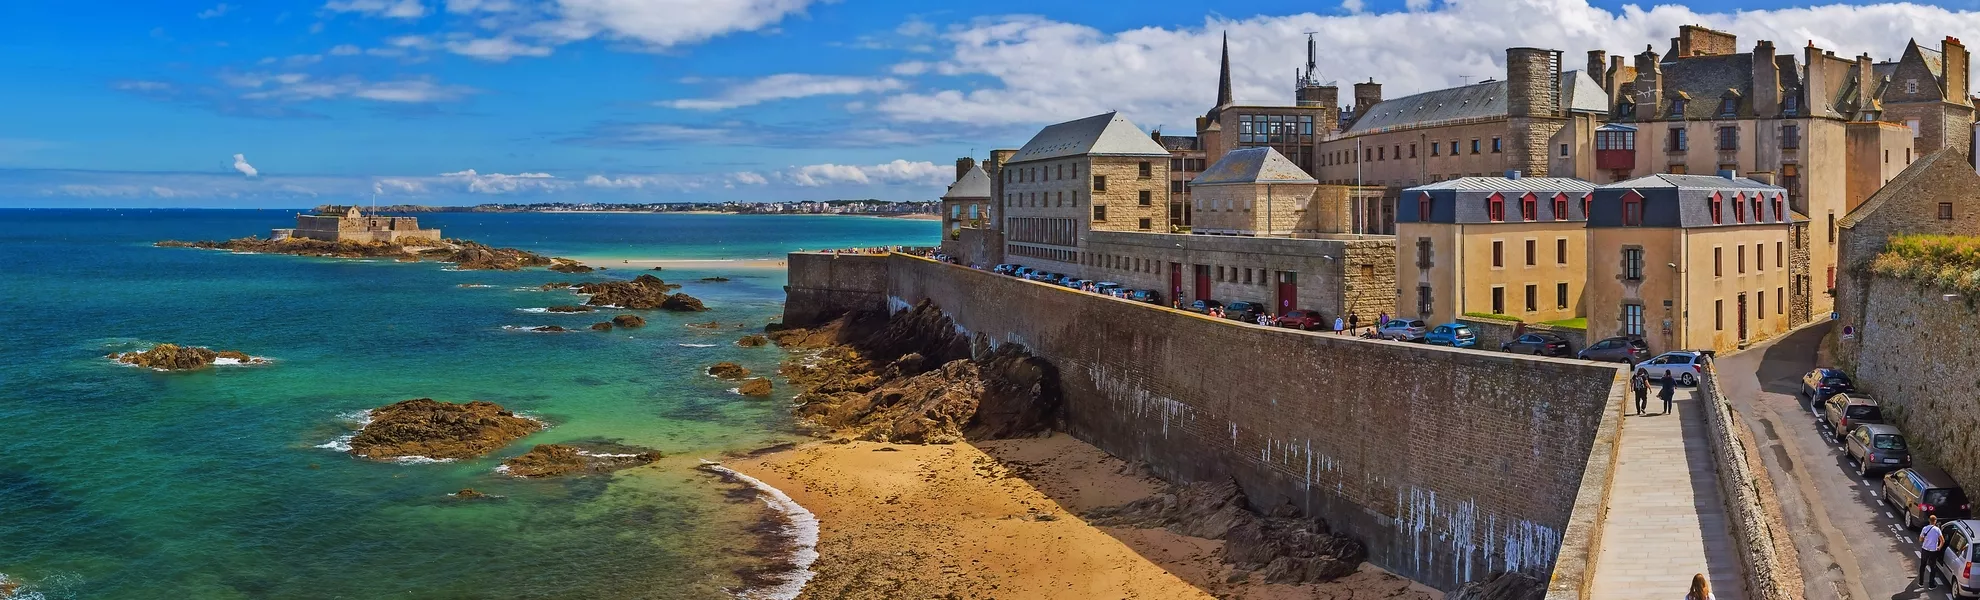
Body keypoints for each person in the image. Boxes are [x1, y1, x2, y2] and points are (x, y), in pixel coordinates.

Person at [1921, 515, 1946, 589]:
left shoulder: (1925, 528)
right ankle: (1931, 585)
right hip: (1933, 551)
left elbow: (1920, 539)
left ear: (1929, 520)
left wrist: (1925, 540)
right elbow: (1943, 541)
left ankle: (1921, 582)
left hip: (1925, 549)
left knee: (1922, 566)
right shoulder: (1937, 530)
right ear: (1935, 521)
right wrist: (1939, 547)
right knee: (1933, 567)